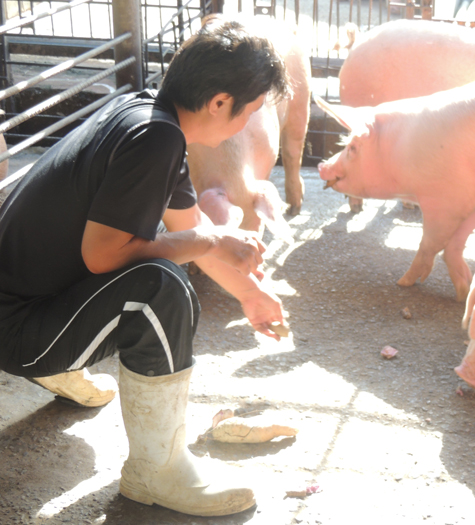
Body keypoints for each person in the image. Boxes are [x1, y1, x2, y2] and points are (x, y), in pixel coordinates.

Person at [0, 16, 289, 517]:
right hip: (18, 331)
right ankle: (157, 470)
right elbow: (106, 255)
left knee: (168, 257)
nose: (248, 125)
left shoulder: (147, 116)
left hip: (20, 303)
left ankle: (64, 368)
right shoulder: (157, 139)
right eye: (253, 110)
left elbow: (192, 229)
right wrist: (213, 237)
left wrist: (249, 294)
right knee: (160, 289)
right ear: (221, 102)